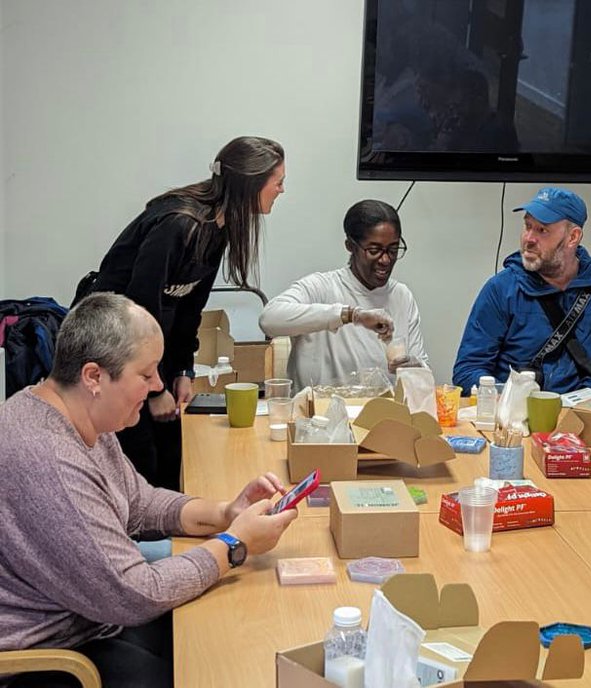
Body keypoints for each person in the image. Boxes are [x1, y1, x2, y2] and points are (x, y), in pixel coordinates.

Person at [0, 293, 298, 688]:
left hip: (89, 615)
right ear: (94, 377)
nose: (159, 384)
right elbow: (136, 593)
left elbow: (139, 503)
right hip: (49, 654)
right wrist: (233, 544)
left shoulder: (77, 414)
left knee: (208, 632)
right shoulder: (49, 459)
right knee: (209, 666)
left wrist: (225, 512)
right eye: (146, 374)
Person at [77, 136, 285, 491]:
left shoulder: (218, 227)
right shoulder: (179, 224)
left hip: (147, 360)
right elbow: (140, 310)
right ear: (251, 184)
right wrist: (155, 387)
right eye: (277, 182)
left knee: (174, 454)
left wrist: (183, 370)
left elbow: (191, 307)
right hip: (114, 354)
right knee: (142, 463)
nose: (282, 190)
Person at [453, 187, 591, 395]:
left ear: (572, 237)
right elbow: (467, 371)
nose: (529, 238)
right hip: (517, 420)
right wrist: (510, 396)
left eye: (542, 230)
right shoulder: (501, 289)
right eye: (527, 226)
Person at [259, 199, 429, 387]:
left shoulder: (401, 297)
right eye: (374, 250)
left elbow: (422, 373)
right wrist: (351, 315)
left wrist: (416, 369)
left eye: (393, 249)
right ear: (350, 245)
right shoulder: (322, 287)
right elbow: (269, 320)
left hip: (382, 413)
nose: (385, 259)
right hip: (321, 413)